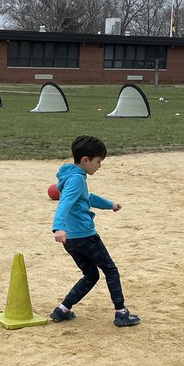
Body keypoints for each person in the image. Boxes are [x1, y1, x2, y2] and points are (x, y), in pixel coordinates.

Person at [49, 135, 140, 327]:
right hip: (84, 236)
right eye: (98, 162)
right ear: (85, 160)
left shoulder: (72, 176)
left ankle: (63, 309)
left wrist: (110, 205)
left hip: (72, 241)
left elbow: (87, 197)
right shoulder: (76, 179)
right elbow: (65, 203)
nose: (99, 166)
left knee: (91, 275)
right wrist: (58, 227)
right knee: (111, 270)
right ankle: (121, 313)